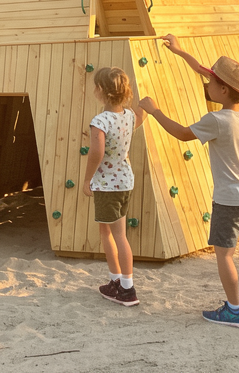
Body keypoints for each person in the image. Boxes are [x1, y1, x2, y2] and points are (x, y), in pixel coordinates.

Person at [139, 34, 239, 327]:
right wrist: (180, 51)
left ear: (223, 90)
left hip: (229, 200)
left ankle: (234, 310)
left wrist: (154, 111)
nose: (206, 84)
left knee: (225, 255)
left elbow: (183, 134)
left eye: (211, 82)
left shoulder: (216, 121)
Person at [82, 66, 146, 306]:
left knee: (108, 234)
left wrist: (87, 179)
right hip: (125, 181)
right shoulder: (128, 116)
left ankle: (123, 285)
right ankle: (121, 283)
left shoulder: (100, 121)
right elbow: (141, 115)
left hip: (106, 184)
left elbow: (96, 152)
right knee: (120, 233)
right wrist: (146, 105)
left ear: (101, 90)